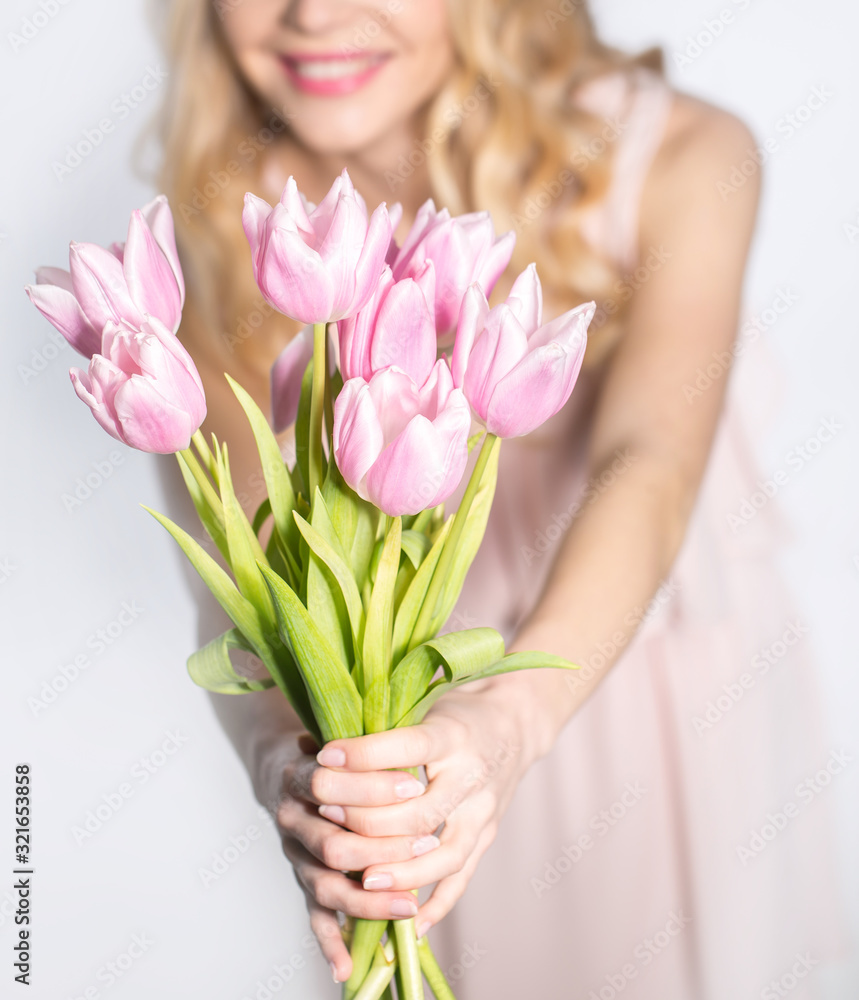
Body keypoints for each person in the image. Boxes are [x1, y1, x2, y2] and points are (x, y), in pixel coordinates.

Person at [155, 1, 846, 995]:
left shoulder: (686, 155)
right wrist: (285, 771)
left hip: (636, 697)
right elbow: (239, 572)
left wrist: (509, 722)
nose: (313, 14)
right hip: (395, 749)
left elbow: (646, 465)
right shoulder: (226, 216)